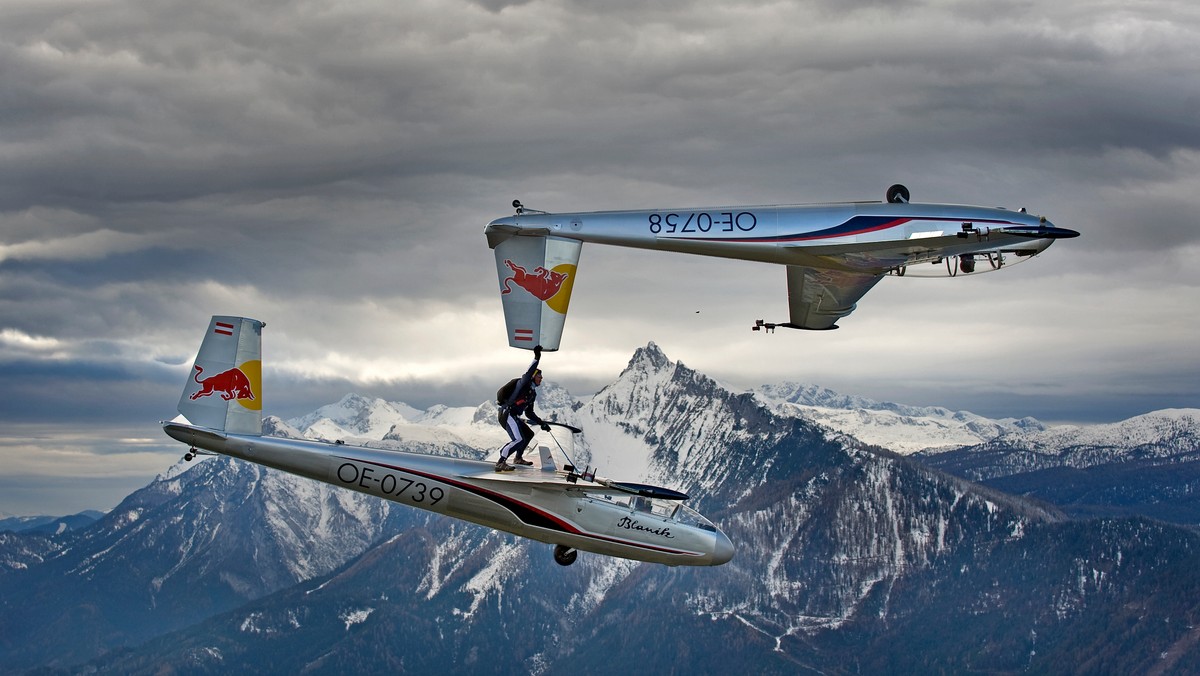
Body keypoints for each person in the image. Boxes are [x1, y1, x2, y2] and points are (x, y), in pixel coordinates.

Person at [495, 345, 551, 472]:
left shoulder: (532, 393)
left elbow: (529, 413)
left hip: (513, 416)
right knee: (518, 439)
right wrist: (537, 357)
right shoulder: (523, 384)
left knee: (528, 434)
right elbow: (529, 372)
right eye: (539, 376)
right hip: (507, 414)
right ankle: (500, 462)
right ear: (533, 377)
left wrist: (541, 423)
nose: (541, 378)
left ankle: (518, 458)